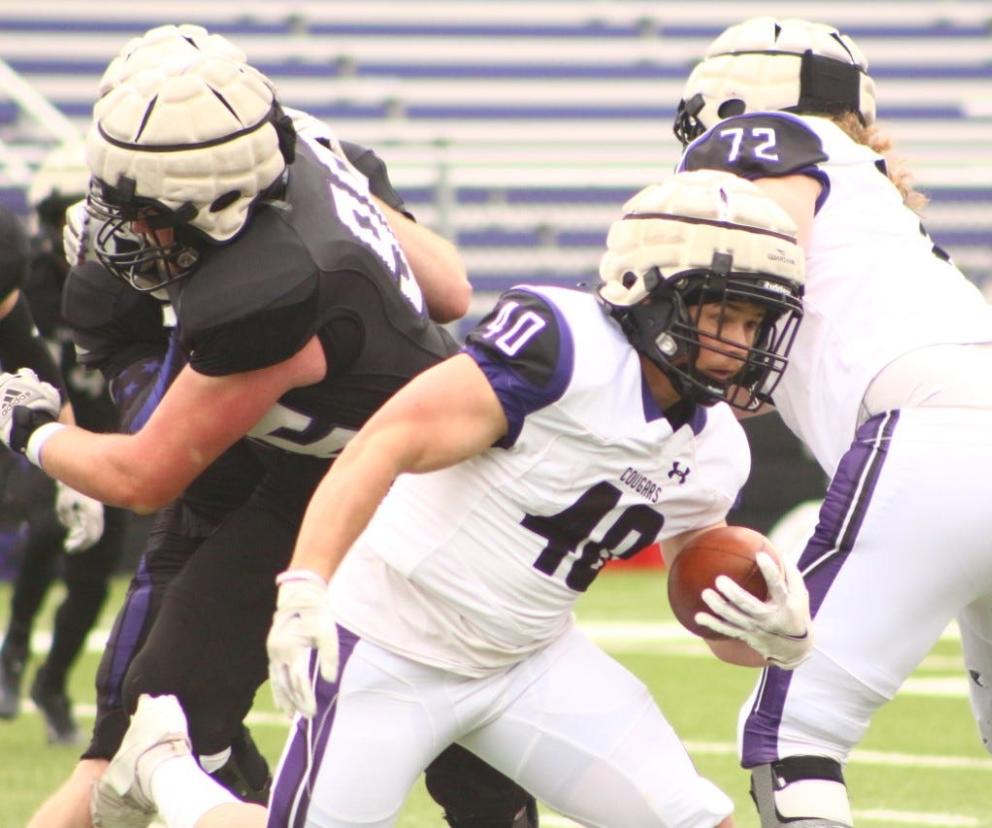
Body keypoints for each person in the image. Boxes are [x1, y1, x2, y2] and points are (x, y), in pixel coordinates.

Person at [87, 168, 812, 828]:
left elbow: (704, 597)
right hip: (386, 643)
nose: (741, 344)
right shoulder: (564, 350)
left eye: (754, 324)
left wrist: (770, 639)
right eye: (723, 316)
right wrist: (306, 583)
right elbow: (385, 440)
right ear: (648, 290)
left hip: (528, 661)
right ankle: (164, 767)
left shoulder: (717, 447)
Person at [2, 26, 535, 828]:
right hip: (310, 476)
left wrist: (34, 431)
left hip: (427, 501)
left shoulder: (270, 300)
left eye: (142, 212)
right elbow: (452, 290)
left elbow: (144, 477)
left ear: (214, 204)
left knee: (459, 740)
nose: (117, 227)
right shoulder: (301, 150)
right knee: (162, 718)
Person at [670, 17, 992, 828]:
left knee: (793, 733)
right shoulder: (869, 191)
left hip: (935, 434)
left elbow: (753, 251)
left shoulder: (762, 142)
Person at [0, 146, 125, 747]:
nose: (72, 231)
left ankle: (52, 684)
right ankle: (16, 643)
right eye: (60, 217)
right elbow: (30, 357)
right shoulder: (32, 283)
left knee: (96, 569)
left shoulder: (137, 276)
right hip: (42, 427)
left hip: (112, 433)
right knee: (49, 523)